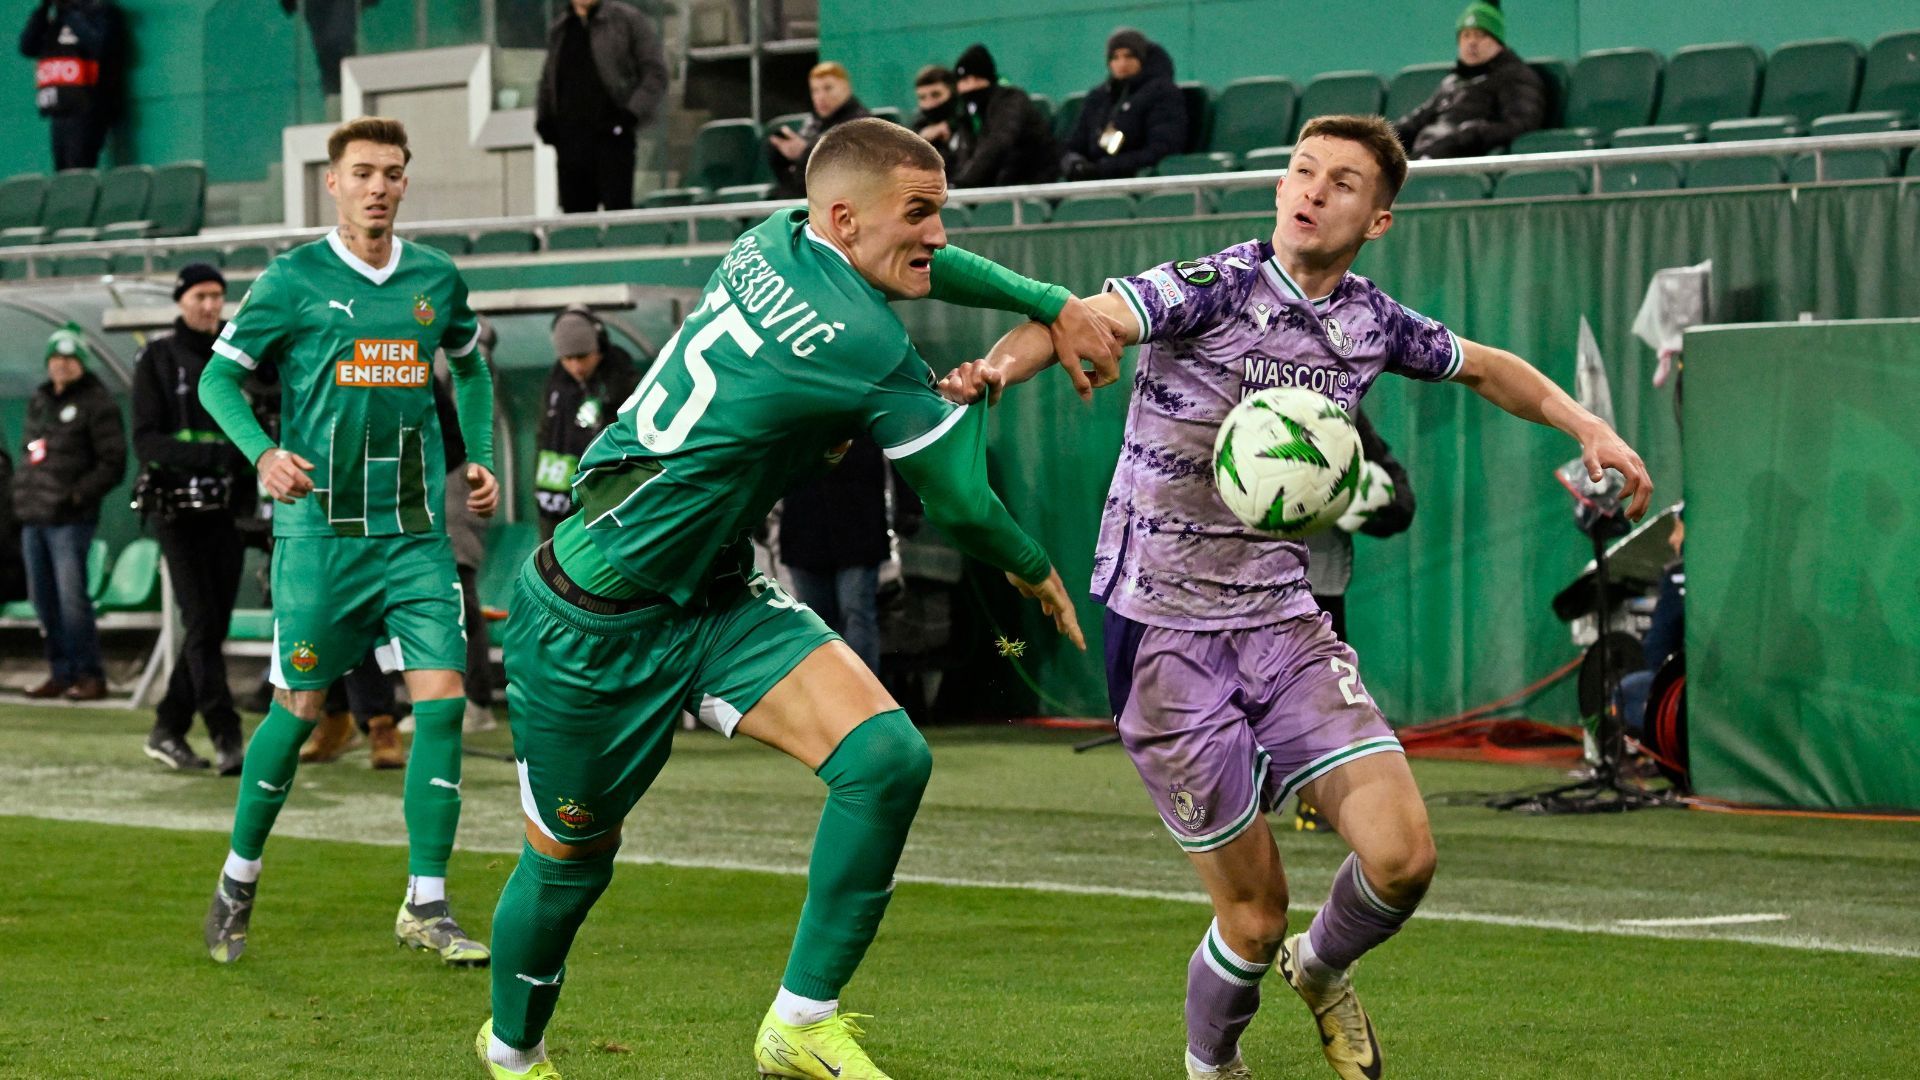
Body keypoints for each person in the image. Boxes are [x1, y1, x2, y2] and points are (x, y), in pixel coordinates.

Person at [941, 114, 1651, 1080]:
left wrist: (1589, 427)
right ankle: (1214, 1065)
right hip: (1164, 638)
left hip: (1283, 622)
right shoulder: (1214, 286)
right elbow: (1079, 318)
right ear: (1279, 190)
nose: (1314, 190)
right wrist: (994, 370)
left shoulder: (1370, 322)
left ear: (1379, 219)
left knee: (1404, 859)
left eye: (1342, 182)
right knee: (1252, 914)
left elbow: (1488, 366)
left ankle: (1320, 968)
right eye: (1302, 172)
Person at [474, 117, 1123, 1080]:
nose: (939, 235)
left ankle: (800, 1022)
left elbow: (928, 269)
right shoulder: (863, 341)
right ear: (846, 218)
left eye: (941, 211)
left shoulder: (772, 236)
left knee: (886, 759)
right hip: (590, 622)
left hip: (716, 598)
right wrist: (1033, 565)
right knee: (570, 864)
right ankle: (513, 1053)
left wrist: (1049, 300)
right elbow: (961, 506)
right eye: (920, 213)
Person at [195, 116, 500, 969]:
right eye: (362, 172)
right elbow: (218, 378)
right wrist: (265, 455)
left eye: (392, 173)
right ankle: (238, 878)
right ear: (331, 182)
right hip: (322, 535)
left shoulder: (436, 278)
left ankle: (427, 903)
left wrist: (476, 455)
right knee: (297, 710)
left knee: (441, 703)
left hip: (414, 534)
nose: (378, 187)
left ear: (405, 183)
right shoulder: (292, 280)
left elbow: (471, 366)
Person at [130, 263, 251, 775]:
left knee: (211, 625)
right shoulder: (157, 359)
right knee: (201, 620)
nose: (210, 305)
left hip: (228, 512)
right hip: (176, 512)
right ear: (180, 300)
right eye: (200, 295)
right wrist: (219, 457)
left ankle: (168, 726)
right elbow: (147, 441)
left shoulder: (237, 356)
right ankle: (226, 733)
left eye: (217, 296)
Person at [1295, 407, 1414, 831]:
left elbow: (1400, 501)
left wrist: (1369, 507)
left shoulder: (1341, 405)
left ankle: (1323, 798)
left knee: (1324, 691)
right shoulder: (1233, 392)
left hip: (1318, 578)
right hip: (1240, 573)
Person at [14, 323, 125, 702]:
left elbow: (113, 463)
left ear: (82, 362)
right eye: (56, 358)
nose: (61, 365)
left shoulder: (98, 403)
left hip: (71, 521)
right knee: (42, 600)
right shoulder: (39, 400)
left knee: (71, 599)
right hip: (33, 517)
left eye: (69, 358)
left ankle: (90, 675)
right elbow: (30, 453)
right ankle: (60, 673)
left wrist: (77, 497)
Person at [778, 435, 919, 675]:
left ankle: (855, 693)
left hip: (846, 518)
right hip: (820, 520)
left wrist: (908, 504)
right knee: (834, 619)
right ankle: (845, 693)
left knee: (836, 618)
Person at [536, 0, 670, 213]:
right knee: (576, 222)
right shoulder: (560, 29)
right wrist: (544, 120)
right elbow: (548, 81)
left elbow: (655, 73)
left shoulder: (627, 20)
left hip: (612, 138)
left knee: (618, 214)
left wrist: (630, 114)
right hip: (571, 144)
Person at [533, 305, 641, 541]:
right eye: (567, 359)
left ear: (598, 348)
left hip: (610, 491)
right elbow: (544, 436)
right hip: (559, 492)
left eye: (582, 356)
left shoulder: (621, 378)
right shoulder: (556, 384)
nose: (576, 367)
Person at [1392, 0, 1545, 160]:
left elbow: (1521, 124)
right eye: (1466, 35)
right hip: (1425, 155)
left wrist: (1471, 134)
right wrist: (1380, 137)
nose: (1472, 43)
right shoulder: (1451, 82)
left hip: (1462, 161)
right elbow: (1416, 121)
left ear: (1498, 42)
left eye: (1481, 35)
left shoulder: (1515, 76)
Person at [1059, 27, 1187, 182]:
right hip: (1094, 180)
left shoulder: (1162, 92)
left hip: (1138, 181)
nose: (1122, 63)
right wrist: (1074, 163)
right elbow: (1074, 144)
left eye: (1129, 56)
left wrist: (1104, 168)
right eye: (1115, 57)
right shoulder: (1099, 97)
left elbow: (1162, 149)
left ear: (1142, 58)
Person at [17, 0, 121, 170]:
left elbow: (99, 45)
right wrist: (43, 9)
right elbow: (27, 47)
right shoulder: (53, 18)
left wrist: (69, 12)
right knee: (62, 170)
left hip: (87, 105)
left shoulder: (98, 11)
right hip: (59, 104)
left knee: (78, 168)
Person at [949, 44, 1058, 188]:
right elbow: (965, 155)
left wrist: (963, 183)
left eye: (975, 78)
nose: (968, 86)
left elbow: (998, 144)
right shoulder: (967, 113)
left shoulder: (1011, 100)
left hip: (1031, 183)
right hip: (999, 186)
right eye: (963, 80)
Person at [768, 62, 870, 201]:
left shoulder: (861, 124)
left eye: (828, 88)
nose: (820, 96)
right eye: (815, 90)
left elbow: (844, 168)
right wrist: (781, 155)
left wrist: (804, 152)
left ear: (846, 88)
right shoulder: (813, 123)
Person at [909, 64, 960, 172]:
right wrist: (921, 141)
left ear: (953, 92)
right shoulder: (917, 128)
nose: (929, 103)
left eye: (936, 95)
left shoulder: (969, 123)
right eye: (922, 97)